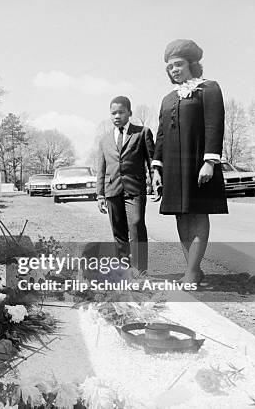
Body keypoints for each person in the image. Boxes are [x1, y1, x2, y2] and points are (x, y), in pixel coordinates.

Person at [151, 39, 228, 284]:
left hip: (199, 163)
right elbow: (161, 135)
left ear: (192, 64)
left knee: (197, 214)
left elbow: (214, 125)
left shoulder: (209, 88)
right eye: (170, 66)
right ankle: (192, 267)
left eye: (179, 64)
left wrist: (210, 161)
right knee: (181, 216)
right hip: (173, 168)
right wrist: (156, 168)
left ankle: (192, 272)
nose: (174, 69)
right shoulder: (168, 99)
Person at [96, 96, 155, 273]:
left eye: (121, 112)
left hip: (135, 190)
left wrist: (156, 183)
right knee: (118, 232)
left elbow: (151, 162)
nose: (117, 116)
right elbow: (101, 169)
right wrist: (100, 194)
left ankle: (139, 271)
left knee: (136, 225)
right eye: (113, 113)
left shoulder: (142, 132)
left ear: (129, 112)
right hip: (112, 190)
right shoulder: (105, 139)